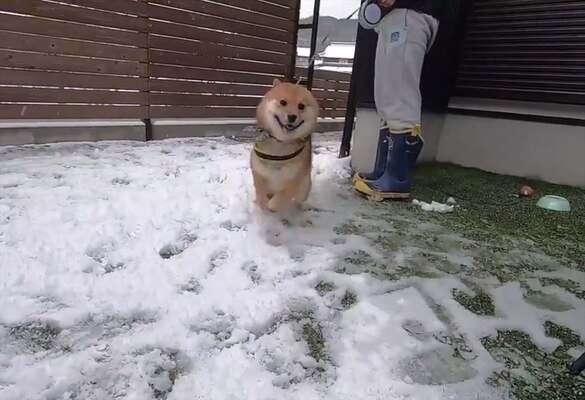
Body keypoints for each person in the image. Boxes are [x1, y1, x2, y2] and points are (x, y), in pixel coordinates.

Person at [352, 0, 440, 200]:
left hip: (410, 16)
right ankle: (383, 171)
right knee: (386, 96)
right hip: (392, 21)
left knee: (399, 92)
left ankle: (397, 178)